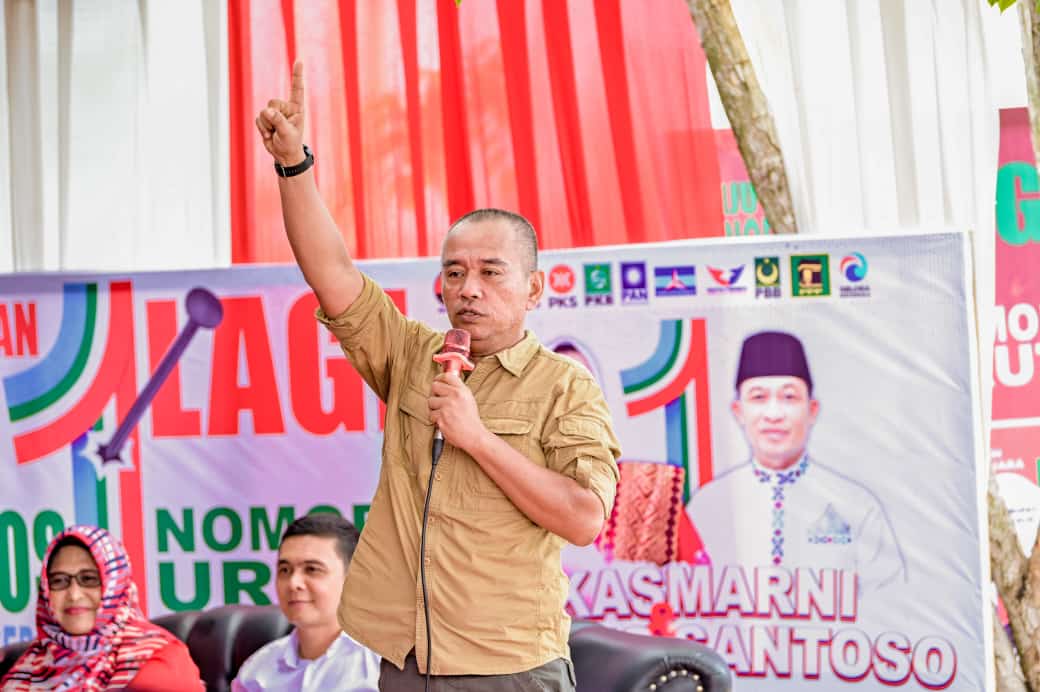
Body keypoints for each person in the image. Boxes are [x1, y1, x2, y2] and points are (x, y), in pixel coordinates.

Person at [254, 62, 620, 691]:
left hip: (509, 667)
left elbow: (584, 518)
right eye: (454, 273)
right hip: (405, 661)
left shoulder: (565, 386)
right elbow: (332, 273)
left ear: (534, 288)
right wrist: (293, 165)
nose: (468, 289)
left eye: (490, 272)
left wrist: (477, 438)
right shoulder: (410, 356)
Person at [686, 331, 906, 590]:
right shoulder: (707, 504)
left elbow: (890, 597)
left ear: (812, 410)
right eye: (758, 398)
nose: (773, 414)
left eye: (789, 397)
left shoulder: (856, 505)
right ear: (739, 411)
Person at [0, 525, 202, 691]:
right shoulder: (29, 667)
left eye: (89, 579)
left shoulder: (157, 658)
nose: (74, 595)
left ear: (116, 584)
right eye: (59, 581)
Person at [233, 514, 379, 691]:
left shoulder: (383, 665)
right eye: (285, 570)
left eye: (312, 569)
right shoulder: (256, 672)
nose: (293, 583)